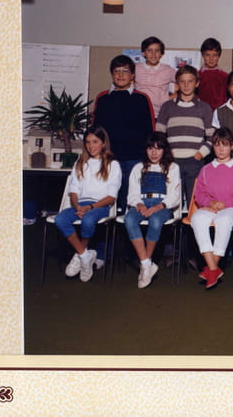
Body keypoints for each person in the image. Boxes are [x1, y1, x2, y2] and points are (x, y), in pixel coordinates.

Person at [55, 126, 121, 283]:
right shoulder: (80, 163)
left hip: (100, 206)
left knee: (88, 219)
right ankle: (84, 255)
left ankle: (80, 254)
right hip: (80, 205)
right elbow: (74, 191)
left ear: (103, 143)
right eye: (88, 142)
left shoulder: (113, 165)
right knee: (60, 219)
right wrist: (77, 206)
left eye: (95, 142)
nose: (91, 146)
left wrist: (90, 207)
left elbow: (111, 197)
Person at [93, 55, 155, 213]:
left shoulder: (142, 98)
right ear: (112, 74)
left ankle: (127, 228)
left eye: (125, 71)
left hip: (133, 158)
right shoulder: (102, 98)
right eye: (117, 71)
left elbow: (150, 130)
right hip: (108, 157)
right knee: (106, 197)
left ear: (132, 75)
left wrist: (147, 157)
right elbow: (95, 131)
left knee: (130, 199)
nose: (120, 75)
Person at [190, 128, 233, 289]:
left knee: (223, 220)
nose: (221, 149)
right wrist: (210, 203)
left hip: (232, 208)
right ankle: (214, 268)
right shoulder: (206, 169)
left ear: (232, 146)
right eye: (217, 145)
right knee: (197, 218)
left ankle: (211, 268)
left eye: (225, 145)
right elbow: (199, 193)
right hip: (210, 207)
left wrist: (224, 204)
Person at [123, 132, 181, 289]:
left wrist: (157, 207)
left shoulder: (172, 168)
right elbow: (132, 193)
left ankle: (145, 263)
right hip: (142, 202)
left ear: (164, 150)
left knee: (155, 221)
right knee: (129, 219)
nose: (154, 153)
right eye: (150, 148)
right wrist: (140, 205)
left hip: (162, 205)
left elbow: (175, 195)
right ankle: (146, 263)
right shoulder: (138, 168)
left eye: (158, 148)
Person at [156, 65, 214, 207]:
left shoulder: (204, 108)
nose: (186, 85)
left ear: (197, 83)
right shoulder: (167, 107)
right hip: (172, 161)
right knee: (171, 201)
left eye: (190, 81)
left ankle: (191, 222)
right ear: (177, 84)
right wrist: (167, 155)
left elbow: (211, 137)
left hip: (195, 161)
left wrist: (200, 154)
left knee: (194, 202)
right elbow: (159, 136)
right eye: (182, 81)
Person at [134, 36, 175, 118]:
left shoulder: (168, 70)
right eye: (149, 50)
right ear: (143, 53)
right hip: (139, 112)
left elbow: (185, 80)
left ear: (161, 54)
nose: (153, 54)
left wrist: (172, 96)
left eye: (157, 50)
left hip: (161, 114)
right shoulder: (136, 68)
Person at [197, 37, 228, 110]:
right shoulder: (196, 76)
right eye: (208, 55)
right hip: (200, 112)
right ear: (203, 55)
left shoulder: (226, 77)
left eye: (215, 55)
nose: (211, 59)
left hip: (220, 113)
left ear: (219, 56)